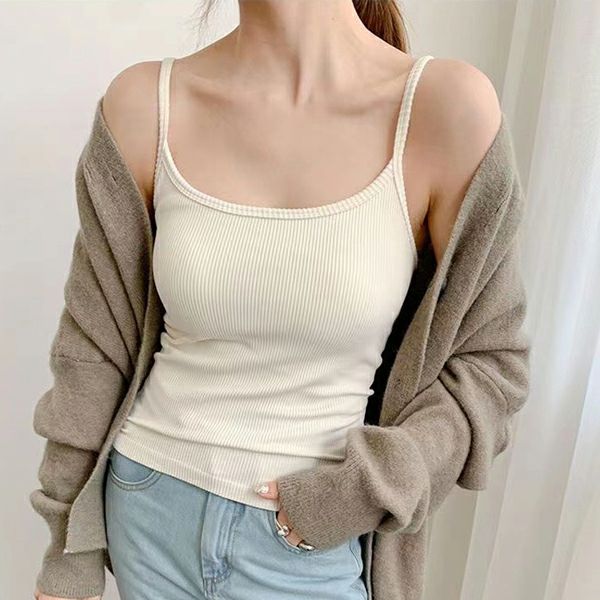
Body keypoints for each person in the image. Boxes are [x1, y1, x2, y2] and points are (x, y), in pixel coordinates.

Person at [33, 1, 514, 599]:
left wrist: (364, 489)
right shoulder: (143, 106)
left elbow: (491, 364)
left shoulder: (445, 109)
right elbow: (92, 353)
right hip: (148, 510)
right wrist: (67, 559)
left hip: (312, 544)